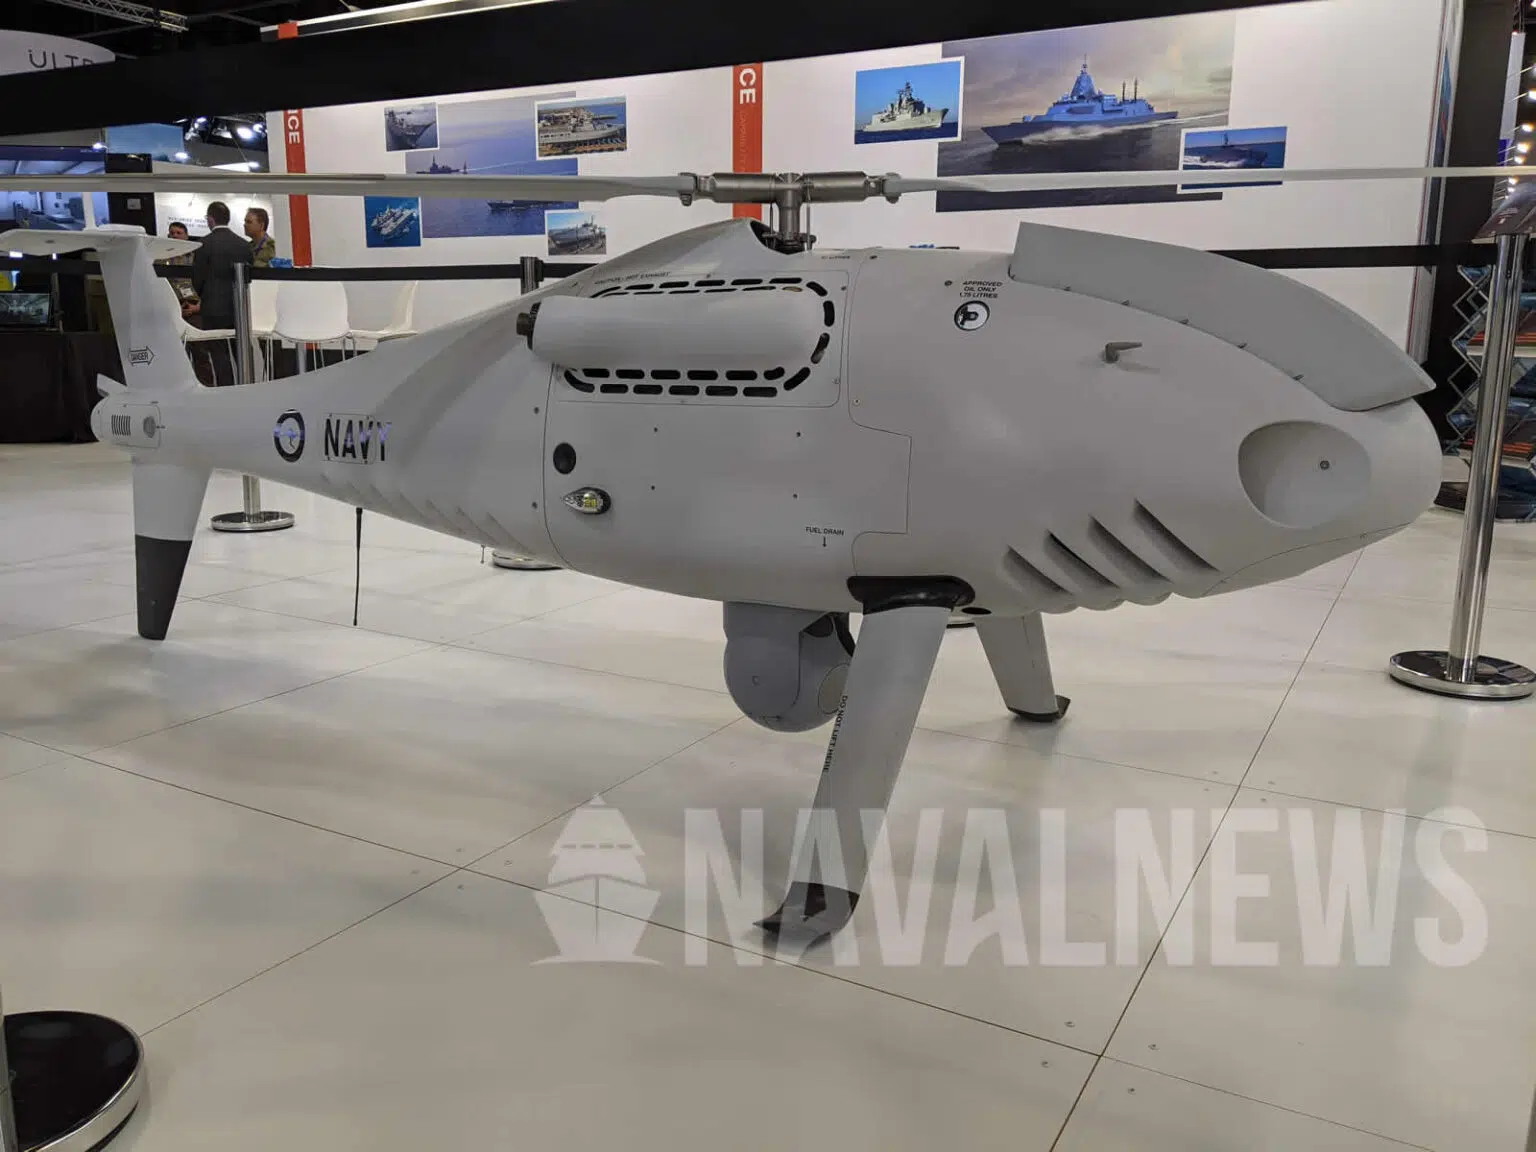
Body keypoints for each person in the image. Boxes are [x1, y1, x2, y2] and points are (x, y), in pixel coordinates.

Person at [190, 201, 252, 387]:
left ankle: (226, 391)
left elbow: (197, 278)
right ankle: (247, 388)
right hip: (239, 306)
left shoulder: (203, 244)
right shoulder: (243, 245)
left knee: (219, 355)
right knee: (242, 351)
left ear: (210, 219)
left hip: (213, 307)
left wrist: (205, 296)